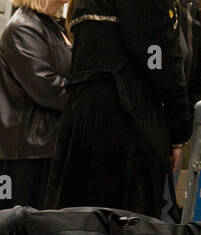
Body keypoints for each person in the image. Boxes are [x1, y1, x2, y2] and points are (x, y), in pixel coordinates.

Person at [45, 0, 191, 218]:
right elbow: (161, 61)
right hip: (127, 118)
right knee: (121, 225)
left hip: (81, 116)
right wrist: (179, 131)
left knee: (75, 219)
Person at [0, 0, 71, 217]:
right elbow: (46, 87)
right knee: (14, 230)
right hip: (28, 151)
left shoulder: (53, 25)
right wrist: (88, 97)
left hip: (47, 145)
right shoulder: (23, 27)